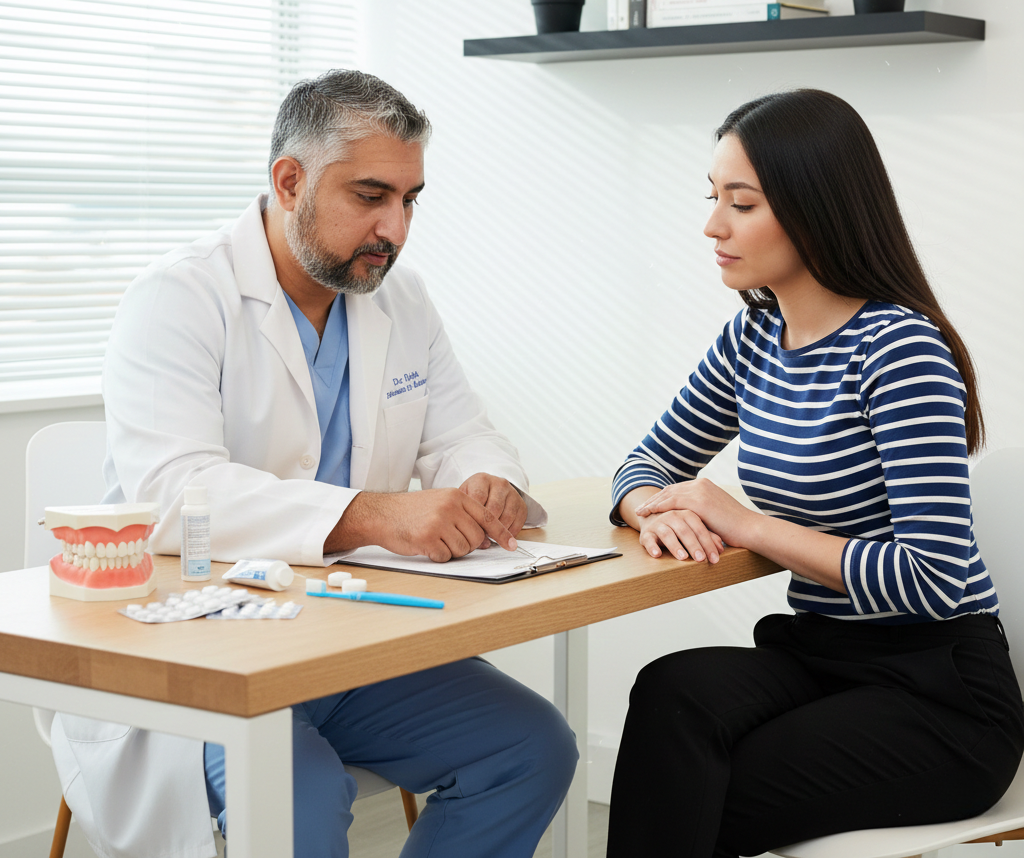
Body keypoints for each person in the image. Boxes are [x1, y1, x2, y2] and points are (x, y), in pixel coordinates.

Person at [50, 70, 577, 858]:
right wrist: (373, 513)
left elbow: (463, 430)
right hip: (205, 649)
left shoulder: (401, 299)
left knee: (530, 748)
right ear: (289, 181)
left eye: (410, 200)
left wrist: (485, 481)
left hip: (342, 640)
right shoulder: (180, 296)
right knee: (297, 797)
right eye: (371, 195)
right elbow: (174, 493)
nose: (394, 228)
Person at [605, 89, 1024, 858]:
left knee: (693, 792)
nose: (713, 225)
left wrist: (746, 523)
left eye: (742, 203)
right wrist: (648, 507)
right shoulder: (755, 335)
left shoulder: (899, 350)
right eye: (713, 198)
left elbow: (931, 579)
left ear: (813, 206)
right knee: (673, 693)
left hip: (940, 692)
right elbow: (645, 461)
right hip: (820, 654)